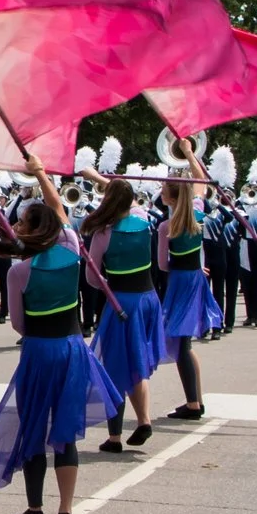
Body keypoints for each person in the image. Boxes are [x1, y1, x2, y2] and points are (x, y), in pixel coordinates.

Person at [0, 168, 120, 514]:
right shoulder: (71, 246)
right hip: (72, 348)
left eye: (21, 224)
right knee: (65, 430)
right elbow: (59, 210)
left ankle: (35, 507)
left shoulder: (18, 271)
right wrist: (40, 172)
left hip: (38, 352)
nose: (16, 228)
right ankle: (66, 509)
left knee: (33, 427)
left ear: (30, 230)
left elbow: (18, 325)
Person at [84, 174, 165, 452]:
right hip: (148, 298)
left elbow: (92, 276)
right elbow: (125, 199)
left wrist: (105, 283)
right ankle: (143, 420)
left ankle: (115, 436)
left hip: (122, 303)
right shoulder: (145, 220)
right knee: (137, 361)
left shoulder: (103, 232)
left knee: (113, 366)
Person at [157, 137, 219, 421]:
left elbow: (163, 265)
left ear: (169, 198)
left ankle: (194, 404)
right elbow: (202, 181)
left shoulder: (166, 226)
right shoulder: (196, 214)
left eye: (163, 189)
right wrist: (189, 154)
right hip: (194, 277)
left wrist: (185, 266)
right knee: (185, 343)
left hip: (182, 281)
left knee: (181, 343)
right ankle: (195, 401)